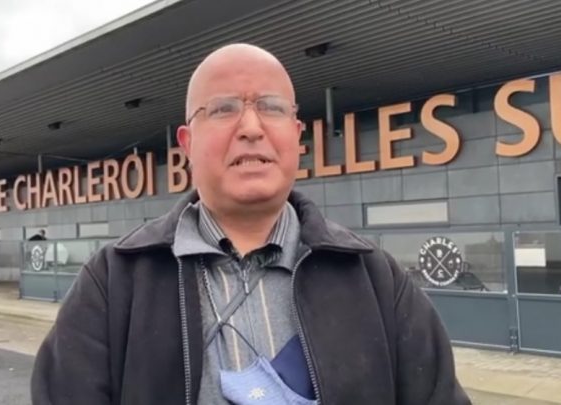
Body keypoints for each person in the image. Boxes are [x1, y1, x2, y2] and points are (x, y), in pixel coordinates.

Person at [31, 43, 471, 405]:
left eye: (271, 107)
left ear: (296, 134)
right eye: (223, 109)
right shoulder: (114, 282)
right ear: (187, 142)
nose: (251, 127)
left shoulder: (375, 278)